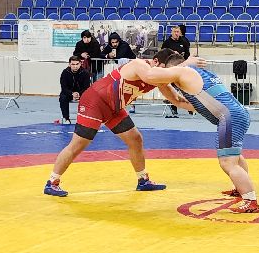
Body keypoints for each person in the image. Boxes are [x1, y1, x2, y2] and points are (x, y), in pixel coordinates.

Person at [43, 53, 198, 198]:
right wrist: (184, 66)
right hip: (94, 102)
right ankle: (52, 182)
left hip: (113, 109)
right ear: (155, 61)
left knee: (135, 139)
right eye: (167, 71)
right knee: (78, 144)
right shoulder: (139, 65)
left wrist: (203, 108)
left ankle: (143, 180)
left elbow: (177, 100)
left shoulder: (160, 79)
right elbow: (152, 76)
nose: (168, 76)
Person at [153, 49, 259, 212]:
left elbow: (157, 76)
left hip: (229, 117)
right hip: (238, 113)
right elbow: (180, 102)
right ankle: (241, 189)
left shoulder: (185, 71)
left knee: (227, 162)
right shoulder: (197, 76)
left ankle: (250, 201)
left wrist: (180, 66)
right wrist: (167, 89)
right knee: (235, 157)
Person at [160, 24, 191, 117]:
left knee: (185, 87)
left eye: (178, 32)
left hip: (182, 67)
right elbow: (162, 54)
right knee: (173, 88)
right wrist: (172, 54)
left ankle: (189, 107)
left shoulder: (184, 41)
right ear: (171, 32)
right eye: (175, 32)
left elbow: (187, 55)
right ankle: (173, 108)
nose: (177, 34)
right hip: (171, 68)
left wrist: (183, 57)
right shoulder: (167, 43)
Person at [57, 55, 90, 125]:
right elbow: (64, 88)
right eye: (73, 64)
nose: (75, 66)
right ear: (69, 64)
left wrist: (79, 94)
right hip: (69, 93)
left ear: (80, 64)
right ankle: (66, 118)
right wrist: (72, 94)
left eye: (77, 64)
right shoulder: (65, 72)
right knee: (63, 98)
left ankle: (85, 119)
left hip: (81, 93)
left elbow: (86, 88)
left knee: (89, 98)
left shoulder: (85, 73)